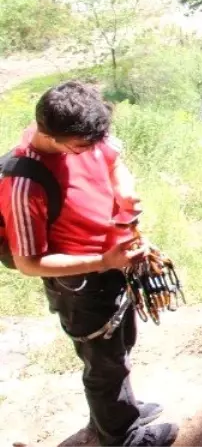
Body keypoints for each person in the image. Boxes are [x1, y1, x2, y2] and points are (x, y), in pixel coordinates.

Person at [0, 81, 177, 447]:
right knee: (103, 360)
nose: (94, 150)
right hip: (80, 285)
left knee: (120, 343)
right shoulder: (23, 184)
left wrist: (125, 195)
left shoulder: (85, 134)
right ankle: (122, 437)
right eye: (83, 147)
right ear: (52, 137)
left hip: (112, 263)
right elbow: (29, 262)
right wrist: (102, 260)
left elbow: (114, 161)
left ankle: (116, 412)